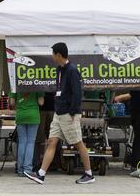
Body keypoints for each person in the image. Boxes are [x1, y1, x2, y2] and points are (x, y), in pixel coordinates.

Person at [27, 42, 94, 185]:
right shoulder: (59, 70)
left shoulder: (72, 70)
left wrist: (72, 112)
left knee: (78, 143)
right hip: (59, 113)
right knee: (51, 141)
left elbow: (77, 93)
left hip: (69, 114)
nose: (52, 57)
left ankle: (89, 173)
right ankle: (41, 174)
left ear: (58, 54)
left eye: (53, 54)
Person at [12, 90, 42, 176]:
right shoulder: (38, 84)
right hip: (33, 115)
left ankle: (20, 169)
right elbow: (41, 102)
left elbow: (12, 102)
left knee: (22, 142)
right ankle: (27, 169)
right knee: (30, 143)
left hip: (21, 115)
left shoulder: (16, 83)